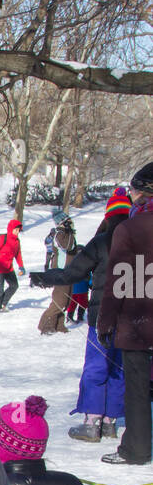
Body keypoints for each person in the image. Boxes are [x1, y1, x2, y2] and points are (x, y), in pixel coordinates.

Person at [30, 189, 131, 442]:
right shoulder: (140, 243)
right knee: (119, 369)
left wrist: (43, 277)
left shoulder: (101, 242)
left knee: (97, 366)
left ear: (107, 216)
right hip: (131, 318)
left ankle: (92, 420)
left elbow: (71, 274)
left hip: (102, 318)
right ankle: (110, 421)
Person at [97, 163, 153, 465]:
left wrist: (105, 321)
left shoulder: (129, 228)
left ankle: (136, 449)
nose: (129, 196)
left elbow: (117, 280)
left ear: (142, 191)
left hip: (138, 321)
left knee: (137, 389)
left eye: (131, 190)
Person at [37, 220, 77, 333]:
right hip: (61, 272)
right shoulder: (59, 234)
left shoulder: (68, 234)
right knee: (60, 300)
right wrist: (65, 230)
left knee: (66, 301)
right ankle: (44, 325)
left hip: (69, 272)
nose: (70, 225)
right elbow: (67, 246)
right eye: (68, 223)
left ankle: (59, 325)